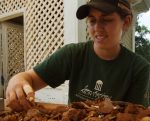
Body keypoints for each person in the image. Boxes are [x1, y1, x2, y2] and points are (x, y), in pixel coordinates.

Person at [6, 0, 150, 111]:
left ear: (126, 22)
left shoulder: (139, 68)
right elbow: (29, 78)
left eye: (106, 20)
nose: (97, 28)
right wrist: (16, 81)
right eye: (92, 20)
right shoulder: (73, 54)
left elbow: (133, 117)